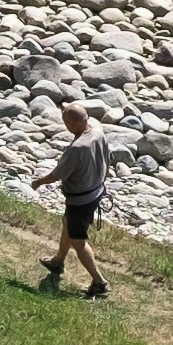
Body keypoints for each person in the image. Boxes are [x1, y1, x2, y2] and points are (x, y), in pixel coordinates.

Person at [34, 99, 111, 296]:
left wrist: (39, 182)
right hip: (96, 191)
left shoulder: (77, 148)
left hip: (80, 200)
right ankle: (58, 262)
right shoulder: (98, 133)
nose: (66, 127)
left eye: (67, 123)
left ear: (75, 123)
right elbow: (107, 160)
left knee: (78, 241)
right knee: (67, 224)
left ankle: (99, 282)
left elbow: (57, 174)